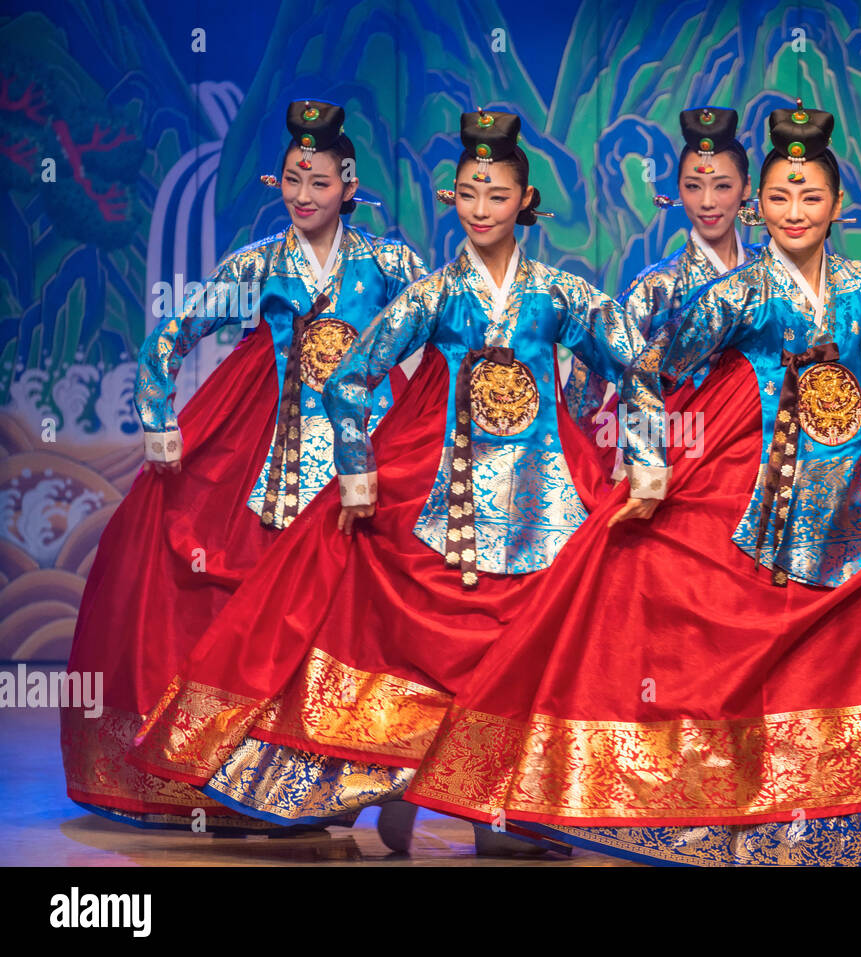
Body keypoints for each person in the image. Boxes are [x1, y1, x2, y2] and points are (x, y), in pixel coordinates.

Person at [399, 100, 861, 866]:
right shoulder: (737, 294)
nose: (794, 213)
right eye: (779, 198)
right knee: (732, 648)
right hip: (754, 502)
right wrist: (647, 461)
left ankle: (846, 816)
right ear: (760, 204)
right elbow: (647, 369)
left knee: (853, 642)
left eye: (810, 198)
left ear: (838, 205)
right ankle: (726, 810)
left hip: (853, 498)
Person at [127, 109, 668, 855]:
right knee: (420, 649)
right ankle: (403, 783)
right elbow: (353, 380)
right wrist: (357, 471)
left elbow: (635, 366)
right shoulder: (434, 293)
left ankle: (502, 808)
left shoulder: (559, 294)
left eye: (496, 196)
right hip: (445, 504)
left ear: (525, 202)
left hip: (545, 507)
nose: (480, 210)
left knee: (525, 654)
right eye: (469, 195)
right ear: (453, 200)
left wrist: (646, 457)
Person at [61, 99, 425, 830]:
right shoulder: (259, 264)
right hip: (282, 471)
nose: (303, 195)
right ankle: (269, 777)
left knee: (375, 621)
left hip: (365, 464)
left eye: (319, 181)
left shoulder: (389, 264)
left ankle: (386, 771)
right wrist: (159, 417)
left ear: (348, 187)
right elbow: (172, 333)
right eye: (293, 179)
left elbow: (441, 338)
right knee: (272, 622)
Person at [566, 104, 761, 456]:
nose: (707, 202)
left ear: (746, 187)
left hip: (760, 451)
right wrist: (582, 456)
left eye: (722, 186)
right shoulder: (657, 286)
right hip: (687, 450)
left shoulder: (767, 274)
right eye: (693, 186)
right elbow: (590, 364)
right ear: (678, 189)